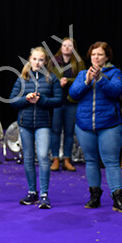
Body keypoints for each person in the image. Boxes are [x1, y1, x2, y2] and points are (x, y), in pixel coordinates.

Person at [69, 41, 122, 212]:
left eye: (100, 54)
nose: (96, 57)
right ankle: (94, 196)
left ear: (107, 57)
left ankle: (117, 198)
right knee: (91, 161)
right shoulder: (82, 74)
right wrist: (87, 81)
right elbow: (73, 94)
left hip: (109, 125)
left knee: (111, 161)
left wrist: (100, 78)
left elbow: (116, 90)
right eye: (94, 54)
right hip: (84, 125)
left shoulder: (114, 72)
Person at [9, 46, 63, 209]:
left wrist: (42, 100)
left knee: (43, 157)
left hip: (43, 124)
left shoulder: (51, 79)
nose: (38, 62)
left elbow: (59, 100)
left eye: (41, 59)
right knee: (28, 158)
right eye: (35, 59)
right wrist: (26, 99)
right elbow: (12, 101)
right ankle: (32, 192)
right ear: (30, 60)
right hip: (25, 124)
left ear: (45, 61)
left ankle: (44, 194)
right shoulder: (22, 78)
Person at [49, 37, 84, 172]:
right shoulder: (54, 61)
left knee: (69, 131)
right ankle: (56, 158)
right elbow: (49, 78)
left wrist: (68, 81)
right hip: (57, 101)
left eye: (70, 45)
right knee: (56, 130)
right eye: (64, 45)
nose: (67, 48)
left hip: (71, 101)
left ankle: (67, 159)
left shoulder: (78, 62)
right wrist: (59, 82)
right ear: (61, 47)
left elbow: (82, 79)